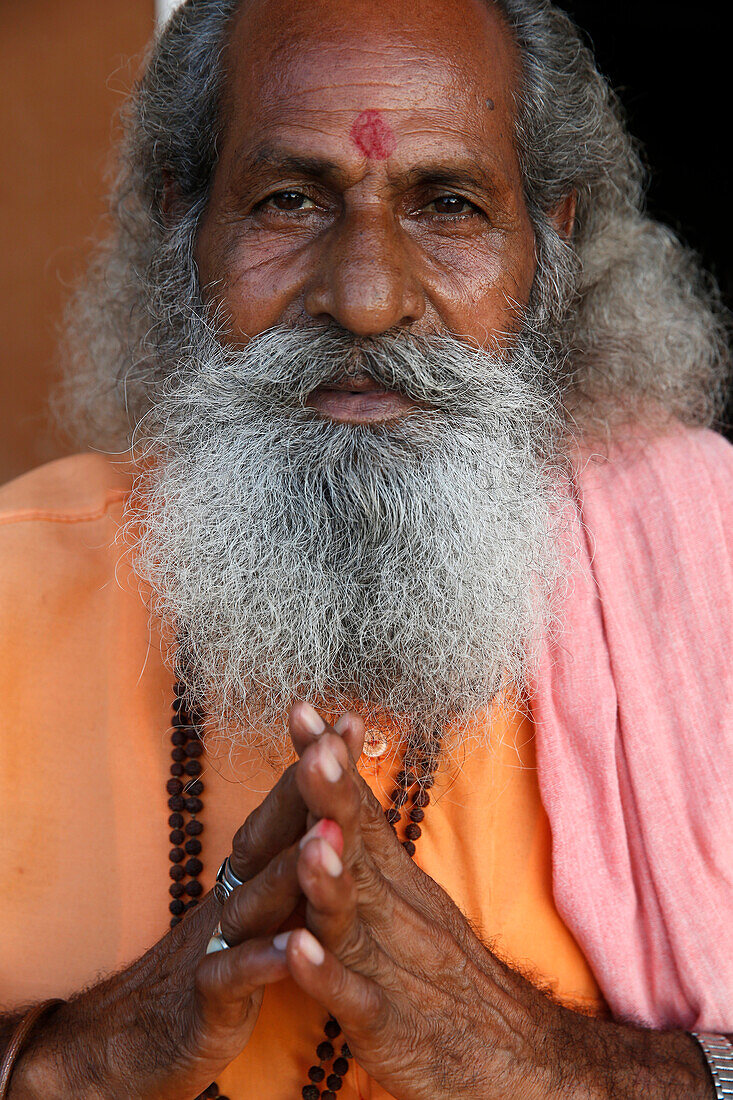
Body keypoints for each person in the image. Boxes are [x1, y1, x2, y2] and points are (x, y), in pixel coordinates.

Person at [1, 0, 731, 1096]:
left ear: (553, 242)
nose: (366, 296)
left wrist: (563, 1069)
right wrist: (65, 1063)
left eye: (447, 204)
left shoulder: (705, 575)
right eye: (288, 200)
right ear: (182, 223)